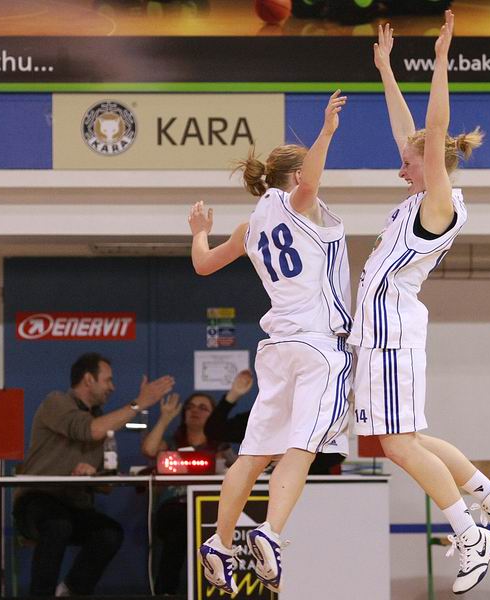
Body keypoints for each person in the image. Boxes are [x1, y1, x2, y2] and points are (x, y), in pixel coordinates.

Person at [347, 12, 490, 595]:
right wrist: (386, 71)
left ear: (432, 166)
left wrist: (442, 59)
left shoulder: (439, 203)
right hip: (383, 332)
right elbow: (412, 131)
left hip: (392, 331)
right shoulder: (419, 193)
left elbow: (434, 124)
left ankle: (470, 532)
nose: (399, 167)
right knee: (412, 439)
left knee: (398, 444)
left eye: (408, 162)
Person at [189, 90, 352, 595]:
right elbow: (313, 179)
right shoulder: (300, 203)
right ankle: (271, 532)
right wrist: (326, 131)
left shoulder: (250, 225)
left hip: (277, 349)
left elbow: (203, 265)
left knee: (254, 453)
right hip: (317, 346)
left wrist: (199, 231)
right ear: (297, 176)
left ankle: (219, 543)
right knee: (303, 448)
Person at [13, 352, 174, 597]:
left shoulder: (102, 419)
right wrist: (139, 403)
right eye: (108, 380)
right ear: (89, 379)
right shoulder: (55, 402)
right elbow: (89, 430)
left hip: (73, 504)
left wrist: (94, 474)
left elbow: (106, 485)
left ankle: (70, 592)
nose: (112, 387)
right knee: (57, 524)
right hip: (37, 500)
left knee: (109, 533)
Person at [141, 385, 240, 595]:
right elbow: (149, 449)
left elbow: (241, 471)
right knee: (179, 529)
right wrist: (165, 418)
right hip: (174, 508)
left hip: (211, 510)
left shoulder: (221, 448)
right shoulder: (170, 444)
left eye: (203, 408)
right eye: (190, 407)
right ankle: (166, 592)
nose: (195, 411)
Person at [205, 369, 346, 474]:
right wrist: (233, 395)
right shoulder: (263, 417)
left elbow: (336, 454)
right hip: (266, 489)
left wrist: (290, 458)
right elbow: (214, 431)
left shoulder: (321, 415)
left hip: (314, 488)